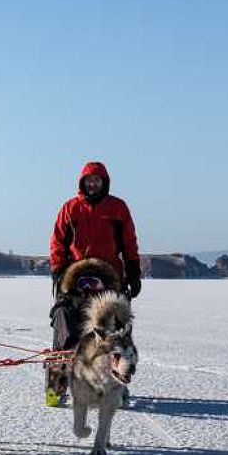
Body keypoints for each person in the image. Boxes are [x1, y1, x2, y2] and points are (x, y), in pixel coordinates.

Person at [45, 161, 141, 405]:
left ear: (104, 182)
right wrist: (58, 271)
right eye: (89, 179)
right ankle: (57, 385)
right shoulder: (70, 208)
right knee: (65, 321)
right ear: (82, 182)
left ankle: (118, 383)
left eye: (97, 179)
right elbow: (57, 241)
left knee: (114, 332)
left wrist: (133, 271)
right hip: (76, 277)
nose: (93, 183)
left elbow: (129, 242)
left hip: (110, 278)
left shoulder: (118, 208)